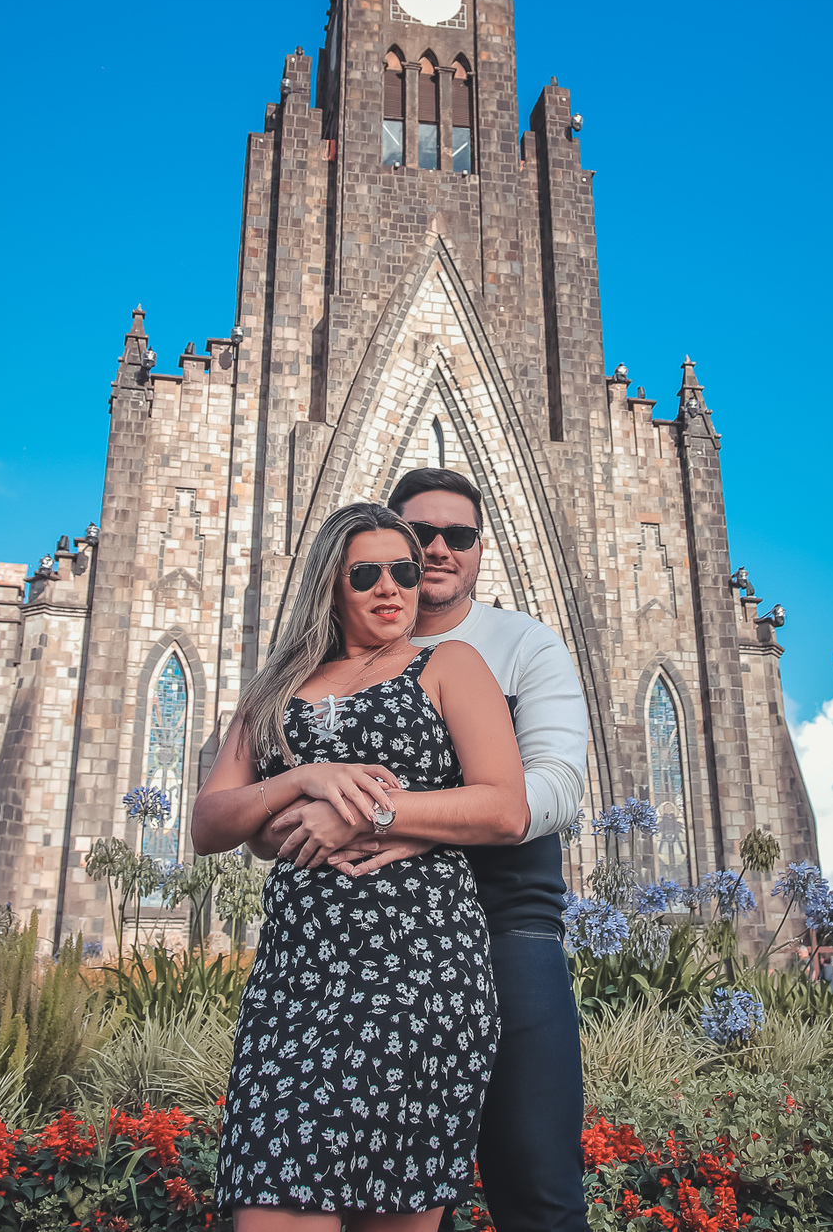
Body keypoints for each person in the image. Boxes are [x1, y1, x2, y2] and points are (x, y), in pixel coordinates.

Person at [263, 468, 590, 1232]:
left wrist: (382, 816)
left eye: (460, 535)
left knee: (536, 1182)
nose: (439, 550)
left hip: (507, 928)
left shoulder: (520, 645)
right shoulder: (317, 674)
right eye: (419, 538)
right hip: (363, 947)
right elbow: (261, 811)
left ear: (481, 550)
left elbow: (551, 791)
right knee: (385, 1188)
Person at [191, 501, 528, 1229]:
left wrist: (369, 811)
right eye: (366, 573)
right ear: (331, 585)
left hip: (420, 977)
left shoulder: (449, 664)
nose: (391, 587)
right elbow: (210, 822)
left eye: (404, 571)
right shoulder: (275, 687)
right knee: (269, 1202)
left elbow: (505, 808)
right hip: (297, 983)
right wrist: (302, 779)